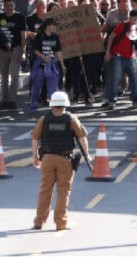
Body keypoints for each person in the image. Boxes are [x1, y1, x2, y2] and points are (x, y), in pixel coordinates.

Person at [30, 91, 91, 231]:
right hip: (65, 159)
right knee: (63, 190)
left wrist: (35, 156)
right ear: (65, 104)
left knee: (45, 190)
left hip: (47, 159)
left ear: (52, 104)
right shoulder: (71, 119)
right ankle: (61, 223)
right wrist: (87, 155)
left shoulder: (44, 119)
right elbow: (82, 139)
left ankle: (39, 222)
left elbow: (35, 139)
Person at [103, 9, 137, 110]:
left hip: (132, 56)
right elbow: (111, 37)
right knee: (115, 79)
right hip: (118, 56)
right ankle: (111, 101)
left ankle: (136, 100)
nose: (134, 20)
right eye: (132, 18)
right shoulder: (123, 25)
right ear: (129, 17)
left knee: (136, 79)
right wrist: (108, 52)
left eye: (136, 18)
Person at [0, 0, 26, 109]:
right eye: (7, 5)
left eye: (11, 6)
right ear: (4, 6)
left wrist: (23, 51)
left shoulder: (20, 17)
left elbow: (23, 35)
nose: (9, 8)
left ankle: (12, 99)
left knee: (14, 74)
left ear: (14, 6)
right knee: (3, 76)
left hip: (16, 48)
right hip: (2, 49)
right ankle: (5, 99)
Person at [30, 18, 66, 112]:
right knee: (37, 87)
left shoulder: (55, 37)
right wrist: (43, 56)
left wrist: (62, 64)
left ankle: (53, 107)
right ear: (49, 26)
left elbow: (58, 51)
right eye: (54, 25)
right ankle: (33, 105)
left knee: (53, 85)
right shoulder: (40, 36)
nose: (55, 28)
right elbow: (35, 50)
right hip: (40, 65)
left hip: (52, 65)